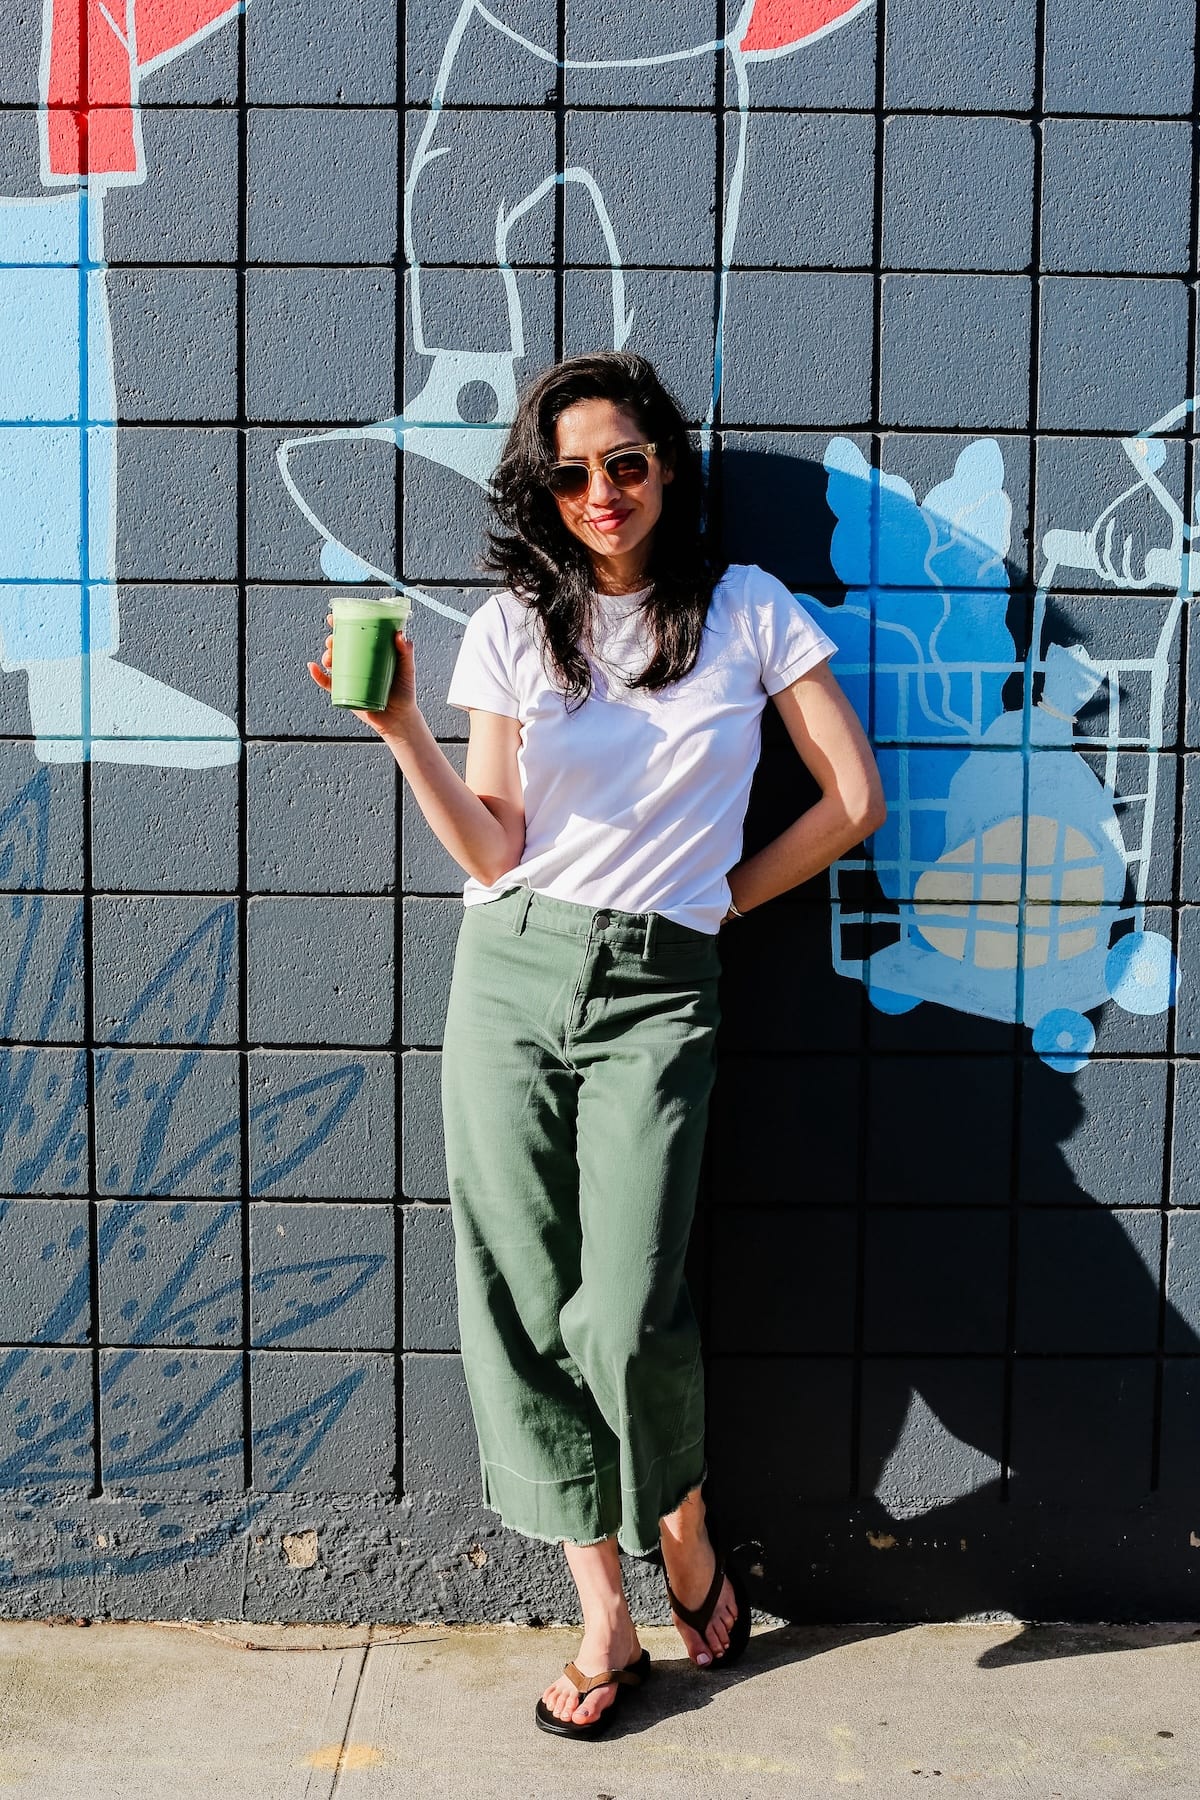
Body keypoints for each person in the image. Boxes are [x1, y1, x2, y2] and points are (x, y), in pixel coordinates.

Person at [308, 350, 885, 1737]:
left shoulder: (749, 612)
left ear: (667, 468)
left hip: (661, 988)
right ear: (542, 489)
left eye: (624, 463)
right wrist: (399, 729)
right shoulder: (512, 625)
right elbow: (494, 841)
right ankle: (605, 1614)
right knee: (523, 1290)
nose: (600, 492)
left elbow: (851, 798)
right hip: (508, 970)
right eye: (569, 473)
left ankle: (681, 1522)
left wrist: (713, 905)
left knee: (623, 1304)